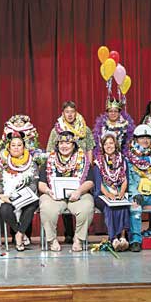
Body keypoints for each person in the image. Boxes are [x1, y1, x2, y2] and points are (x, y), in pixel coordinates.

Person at [47, 101, 95, 244]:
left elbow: (90, 148)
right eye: (67, 112)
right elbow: (50, 149)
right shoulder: (57, 129)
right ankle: (68, 232)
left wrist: (88, 165)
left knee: (78, 198)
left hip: (80, 168)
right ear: (63, 113)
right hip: (61, 166)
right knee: (63, 196)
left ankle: (79, 235)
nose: (69, 114)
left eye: (72, 111)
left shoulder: (85, 129)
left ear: (76, 112)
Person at [39, 131, 94, 252]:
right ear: (57, 145)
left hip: (78, 195)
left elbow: (90, 182)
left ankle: (78, 239)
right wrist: (48, 192)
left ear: (74, 145)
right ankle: (52, 240)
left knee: (87, 206)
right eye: (61, 142)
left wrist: (79, 191)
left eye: (68, 142)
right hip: (54, 196)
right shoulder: (49, 160)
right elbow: (41, 184)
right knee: (46, 206)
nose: (64, 146)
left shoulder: (83, 160)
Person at [0, 131, 40, 252]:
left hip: (27, 196)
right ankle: (20, 233)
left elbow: (33, 183)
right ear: (9, 148)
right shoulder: (3, 164)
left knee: (31, 206)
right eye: (13, 145)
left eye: (19, 145)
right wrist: (2, 195)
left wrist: (21, 195)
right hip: (8, 196)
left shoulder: (32, 163)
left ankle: (19, 234)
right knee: (5, 209)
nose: (16, 148)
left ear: (24, 147)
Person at [92, 133, 129, 251]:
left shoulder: (122, 160)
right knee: (109, 207)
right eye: (105, 143)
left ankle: (123, 237)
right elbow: (99, 183)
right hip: (102, 194)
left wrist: (121, 193)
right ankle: (113, 238)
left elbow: (125, 179)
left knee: (123, 205)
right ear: (102, 146)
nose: (108, 146)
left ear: (115, 144)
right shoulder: (98, 162)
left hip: (118, 191)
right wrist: (109, 195)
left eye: (111, 143)